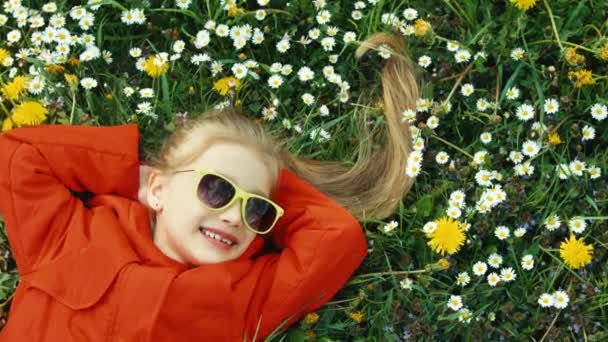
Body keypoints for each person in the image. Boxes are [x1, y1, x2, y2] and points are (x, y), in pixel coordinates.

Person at [0, 32, 419, 341]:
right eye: (217, 189)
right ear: (159, 190)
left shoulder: (248, 294)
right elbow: (18, 154)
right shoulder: (75, 234)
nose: (235, 216)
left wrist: (269, 178)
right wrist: (133, 175)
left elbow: (337, 238)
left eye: (255, 209)